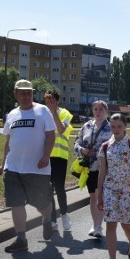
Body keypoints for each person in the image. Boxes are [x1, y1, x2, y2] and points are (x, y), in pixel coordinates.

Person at [0, 79, 56, 253]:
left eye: (29, 92)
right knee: (16, 203)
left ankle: (47, 219)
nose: (26, 96)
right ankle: (21, 238)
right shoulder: (12, 114)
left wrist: (46, 156)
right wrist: (3, 165)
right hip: (13, 168)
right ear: (15, 94)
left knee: (40, 203)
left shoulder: (42, 111)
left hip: (37, 168)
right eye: (22, 93)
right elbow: (9, 142)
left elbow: (51, 136)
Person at [97, 114, 130, 259]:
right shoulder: (104, 147)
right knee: (110, 224)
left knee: (126, 224)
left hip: (127, 190)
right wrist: (99, 194)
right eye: (113, 126)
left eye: (119, 126)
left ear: (125, 126)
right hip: (110, 190)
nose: (116, 130)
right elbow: (102, 172)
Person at [73, 100, 112, 238]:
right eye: (95, 109)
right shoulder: (86, 126)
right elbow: (76, 143)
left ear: (106, 112)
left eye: (101, 109)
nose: (98, 112)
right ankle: (94, 224)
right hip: (89, 167)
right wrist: (83, 150)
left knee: (101, 196)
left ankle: (99, 226)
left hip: (105, 168)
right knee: (93, 197)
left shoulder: (111, 127)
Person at [44, 90, 73, 232]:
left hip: (60, 156)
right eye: (47, 100)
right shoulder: (42, 113)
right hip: (46, 156)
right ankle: (53, 220)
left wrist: (54, 112)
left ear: (57, 101)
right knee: (48, 189)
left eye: (51, 100)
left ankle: (64, 216)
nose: (49, 103)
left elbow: (61, 130)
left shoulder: (64, 113)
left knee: (59, 187)